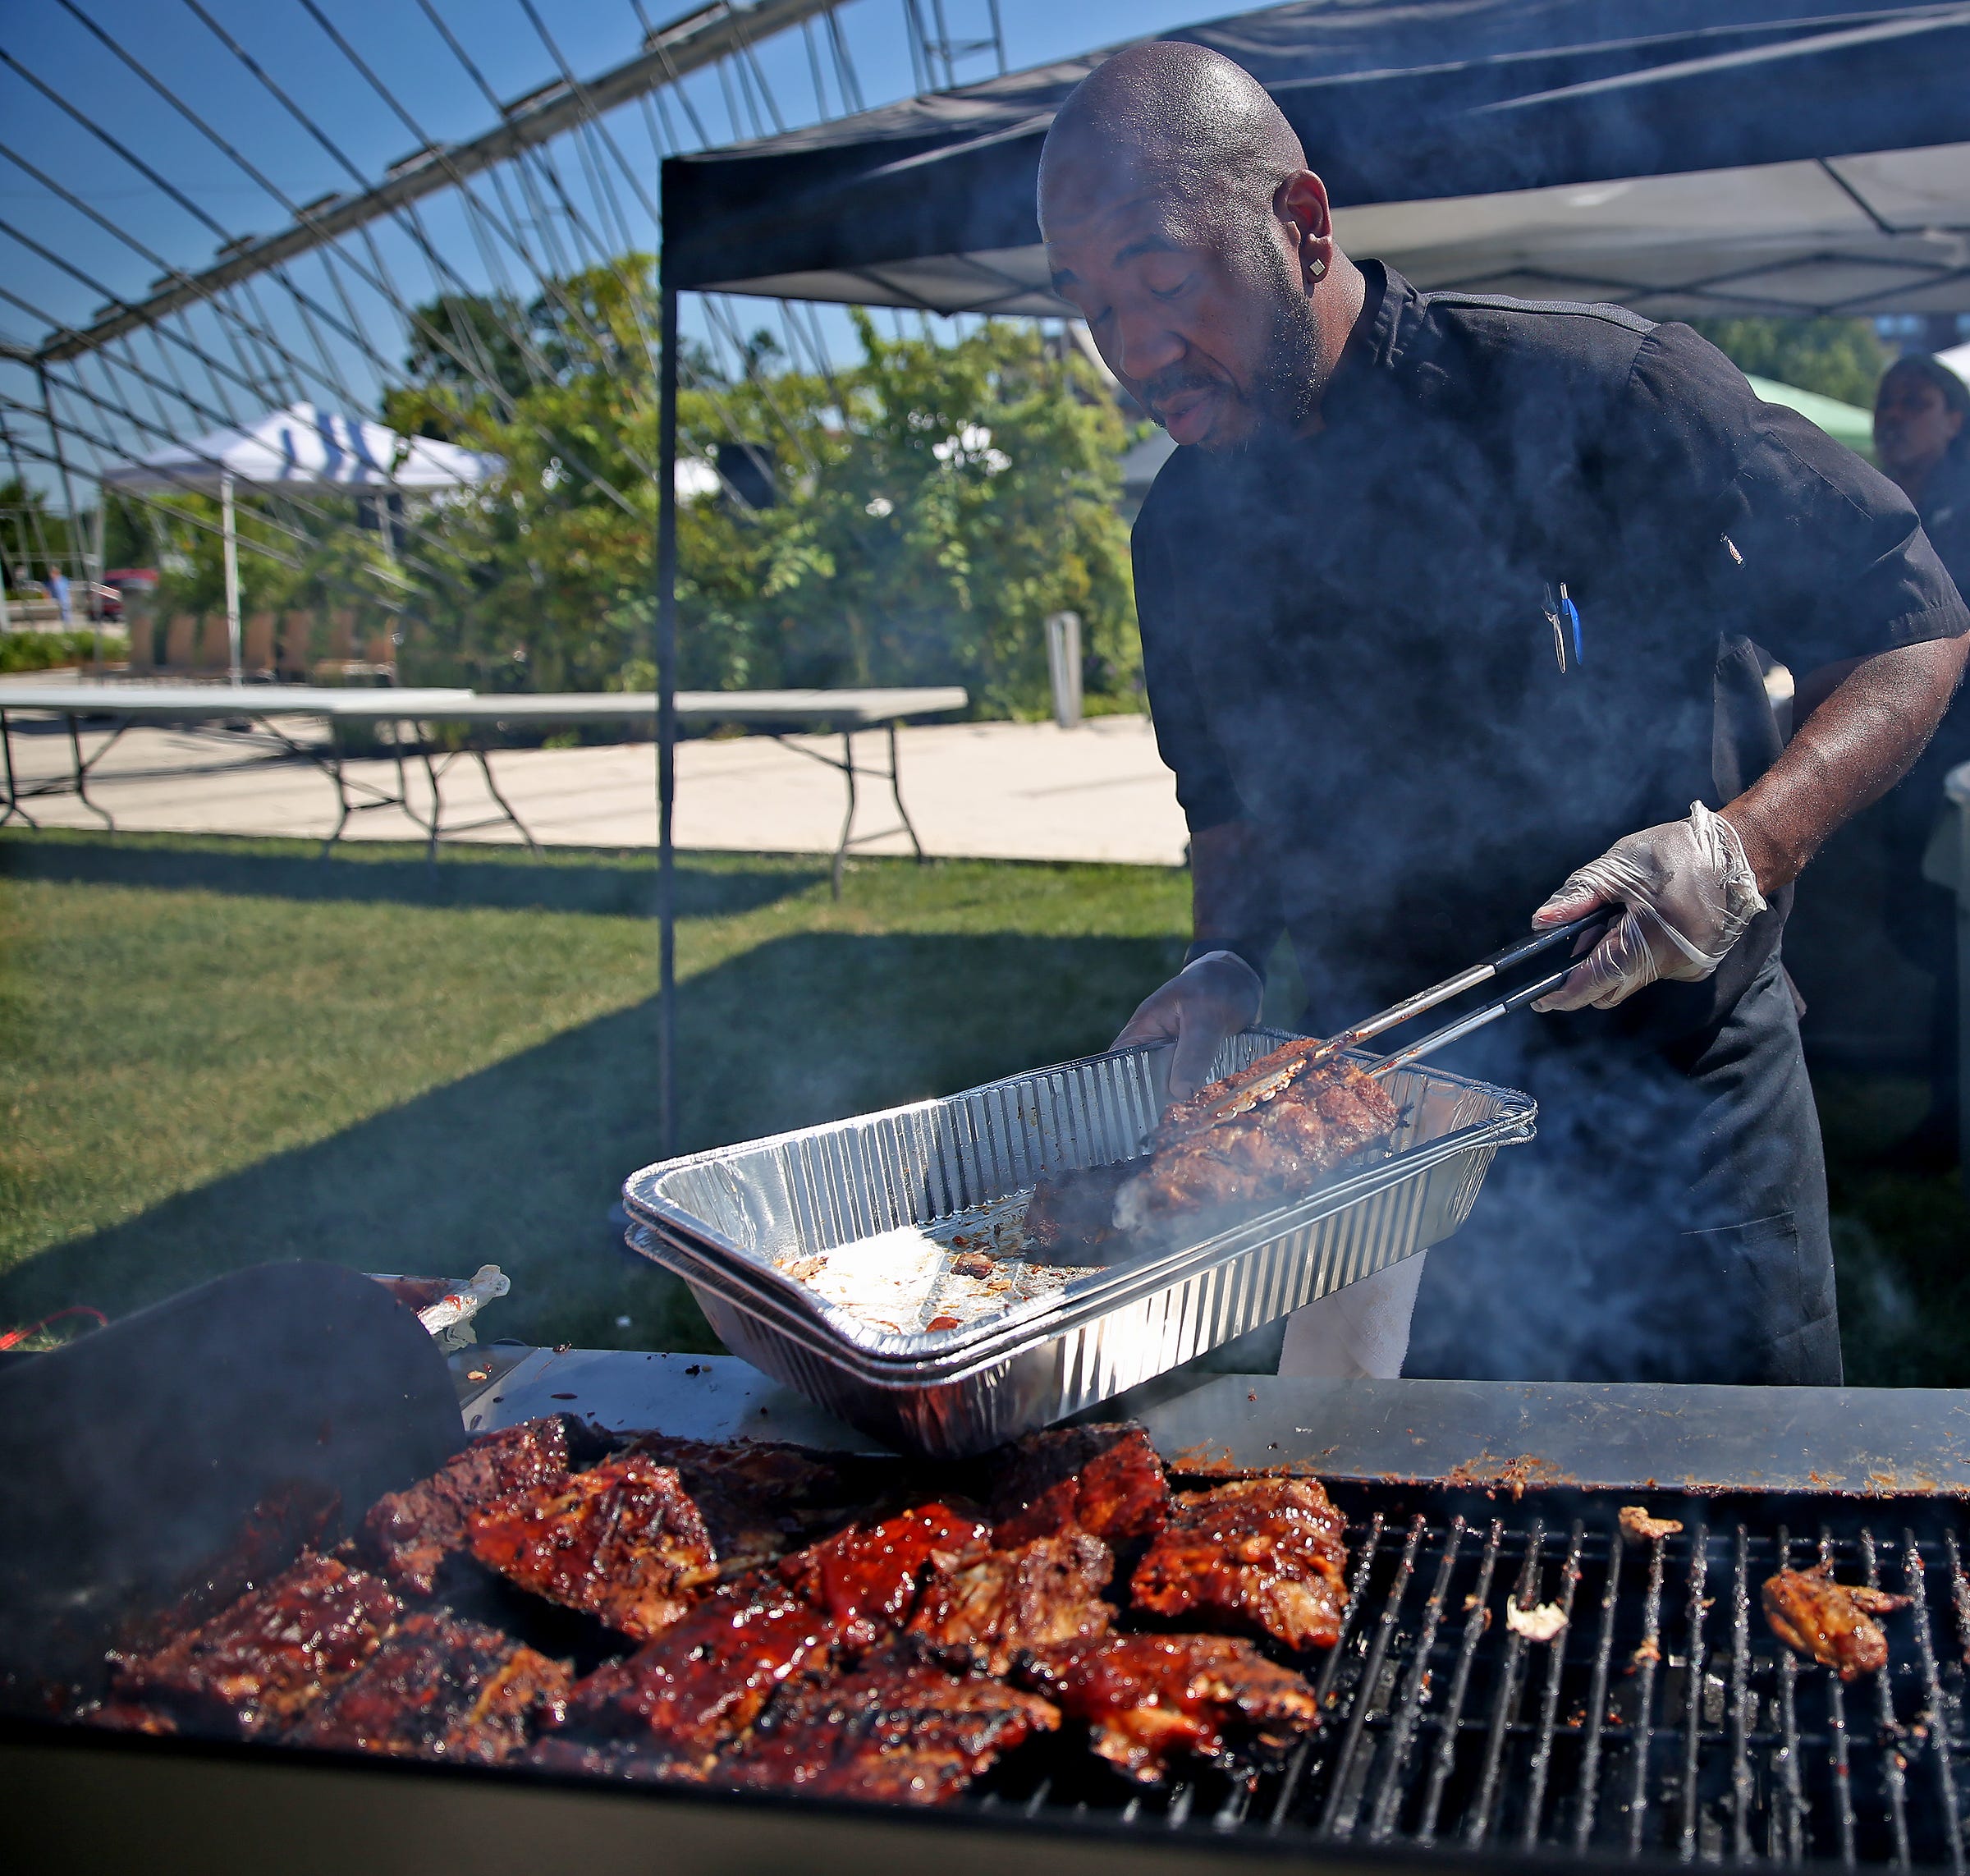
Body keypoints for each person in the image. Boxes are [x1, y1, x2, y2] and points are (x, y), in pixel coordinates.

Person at [1038, 42, 1970, 1385]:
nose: (1134, 350)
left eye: (1164, 278)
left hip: (1680, 1115)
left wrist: (1744, 851)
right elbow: (1228, 803)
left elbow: (1911, 614)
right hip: (1385, 1136)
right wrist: (1226, 962)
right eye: (1090, 306)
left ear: (1301, 224)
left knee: (1744, 1553)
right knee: (1421, 1549)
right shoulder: (1182, 530)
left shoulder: (1595, 390)